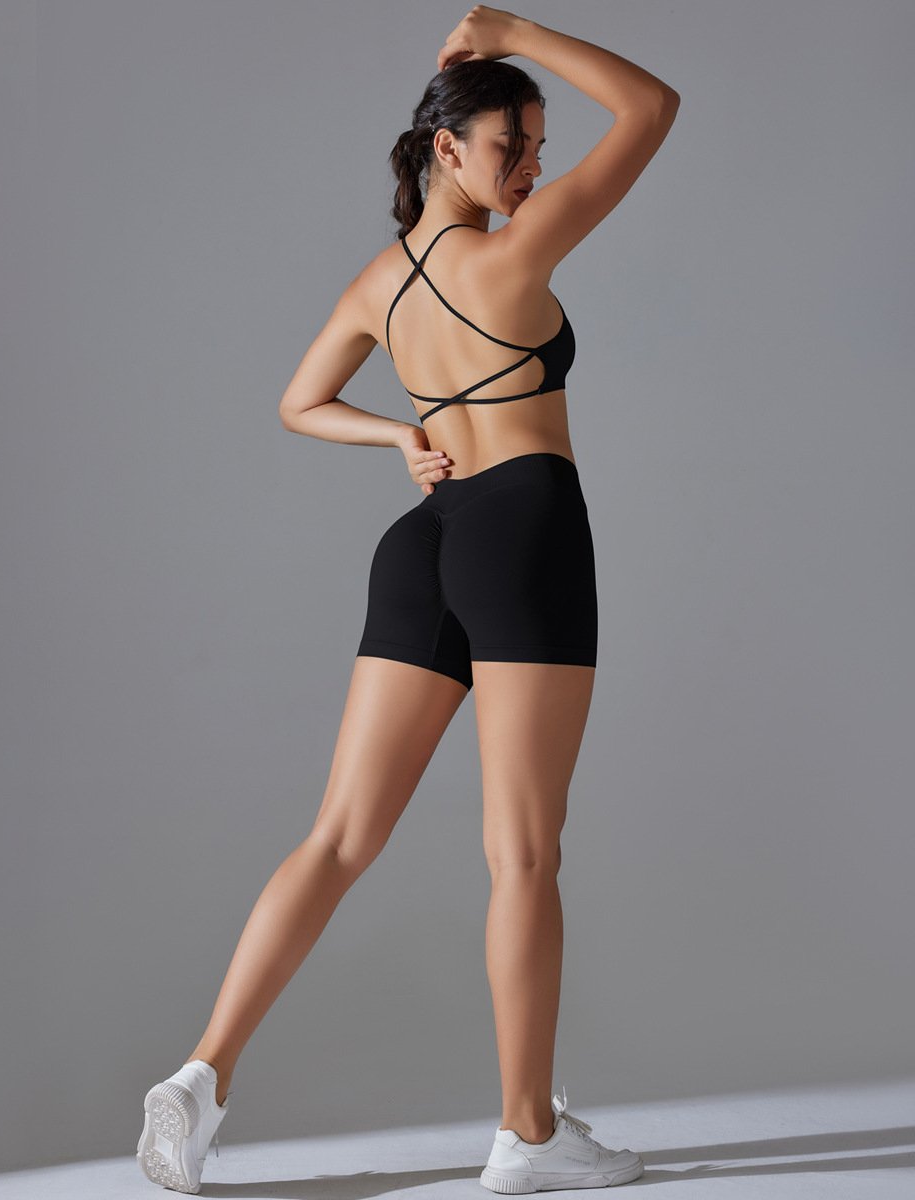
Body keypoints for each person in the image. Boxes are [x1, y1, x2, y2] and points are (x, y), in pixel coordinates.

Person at [136, 5, 679, 1193]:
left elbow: (298, 403)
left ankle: (197, 1082)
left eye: (538, 150)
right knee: (522, 852)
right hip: (524, 529)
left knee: (338, 837)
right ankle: (528, 1137)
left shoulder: (377, 286)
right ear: (446, 148)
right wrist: (515, 26)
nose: (530, 170)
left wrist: (397, 434)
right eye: (512, 147)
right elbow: (652, 108)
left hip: (422, 542)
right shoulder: (516, 255)